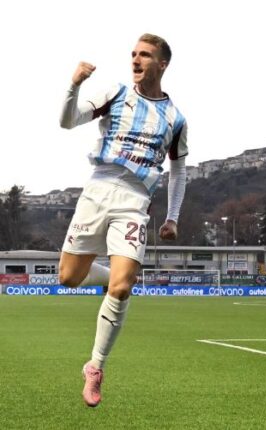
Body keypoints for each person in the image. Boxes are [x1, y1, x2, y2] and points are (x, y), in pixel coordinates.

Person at [58, 33, 188, 407]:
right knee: (68, 278)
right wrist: (74, 84)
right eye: (133, 54)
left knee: (123, 287)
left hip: (135, 200)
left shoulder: (176, 119)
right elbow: (67, 121)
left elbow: (178, 171)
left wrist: (172, 217)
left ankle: (95, 367)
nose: (136, 59)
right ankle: (110, 275)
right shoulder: (115, 93)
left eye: (144, 55)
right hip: (97, 191)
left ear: (162, 63)